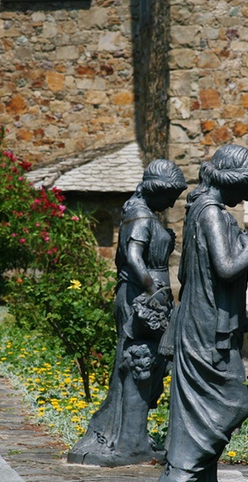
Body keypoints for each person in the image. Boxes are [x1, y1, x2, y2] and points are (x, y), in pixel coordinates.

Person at [67, 159, 187, 467]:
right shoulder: (138, 213)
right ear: (157, 190)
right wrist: (153, 292)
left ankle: (132, 436)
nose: (173, 202)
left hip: (150, 295)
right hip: (141, 298)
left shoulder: (144, 212)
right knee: (140, 363)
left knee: (151, 363)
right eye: (171, 195)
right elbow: (134, 258)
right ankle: (128, 442)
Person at [158, 145, 248, 482]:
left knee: (198, 409)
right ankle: (181, 472)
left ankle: (194, 474)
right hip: (205, 328)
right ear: (234, 180)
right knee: (232, 404)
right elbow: (227, 266)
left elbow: (185, 274)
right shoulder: (213, 214)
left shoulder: (196, 210)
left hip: (196, 320)